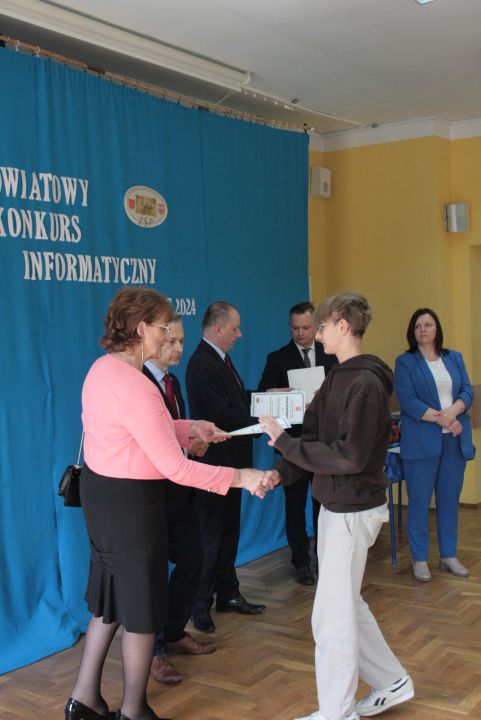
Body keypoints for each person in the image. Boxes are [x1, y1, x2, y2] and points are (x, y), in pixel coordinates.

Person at [65, 288, 272, 720]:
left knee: (111, 603)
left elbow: (139, 429)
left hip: (105, 498)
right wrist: (241, 477)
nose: (168, 337)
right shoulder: (137, 386)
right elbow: (176, 468)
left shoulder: (103, 370)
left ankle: (83, 700)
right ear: (142, 329)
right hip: (132, 507)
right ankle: (133, 710)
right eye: (164, 328)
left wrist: (190, 426)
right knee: (142, 612)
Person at [261, 292, 413, 720]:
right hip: (335, 506)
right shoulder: (336, 378)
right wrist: (282, 472)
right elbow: (313, 441)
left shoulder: (365, 383)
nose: (317, 333)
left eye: (323, 326)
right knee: (347, 605)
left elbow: (349, 456)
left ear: (343, 325)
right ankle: (392, 681)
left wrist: (285, 443)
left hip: (352, 510)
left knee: (332, 617)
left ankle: (337, 712)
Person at [143, 315, 216, 685]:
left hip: (180, 490)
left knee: (192, 559)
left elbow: (172, 434)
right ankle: (153, 650)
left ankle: (173, 632)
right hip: (151, 494)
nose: (178, 349)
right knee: (154, 574)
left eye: (183, 341)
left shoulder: (172, 382)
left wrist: (192, 444)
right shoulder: (139, 382)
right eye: (171, 341)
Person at [186, 301, 266, 634]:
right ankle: (199, 605)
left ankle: (228, 593)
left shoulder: (219, 359)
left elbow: (237, 399)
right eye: (235, 328)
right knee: (211, 536)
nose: (239, 334)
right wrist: (264, 418)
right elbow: (222, 415)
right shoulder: (202, 364)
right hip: (214, 467)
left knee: (229, 532)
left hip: (232, 464)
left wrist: (266, 396)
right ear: (218, 329)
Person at [258, 301, 337, 585]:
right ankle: (301, 562)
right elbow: (263, 394)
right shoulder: (277, 358)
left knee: (322, 503)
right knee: (294, 504)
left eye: (305, 327)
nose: (300, 333)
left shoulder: (331, 355)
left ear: (316, 326)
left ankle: (324, 558)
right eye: (295, 328)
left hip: (323, 442)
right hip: (291, 442)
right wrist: (277, 393)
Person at [394, 308, 475, 583]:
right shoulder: (406, 362)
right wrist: (445, 419)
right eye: (418, 326)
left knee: (449, 499)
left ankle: (448, 555)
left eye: (428, 324)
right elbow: (407, 400)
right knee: (418, 501)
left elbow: (467, 390)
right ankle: (419, 558)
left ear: (437, 328)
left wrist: (452, 414)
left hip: (453, 440)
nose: (423, 330)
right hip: (421, 441)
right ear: (412, 332)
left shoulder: (454, 358)